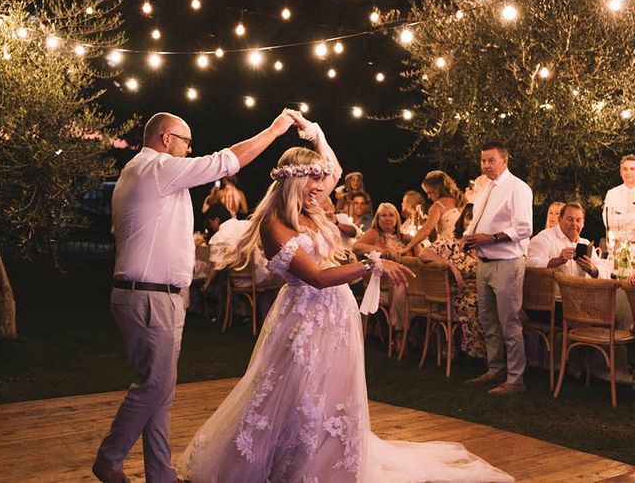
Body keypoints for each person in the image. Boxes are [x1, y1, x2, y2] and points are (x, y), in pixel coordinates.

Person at [177, 116, 513, 483]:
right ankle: (289, 464)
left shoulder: (313, 210)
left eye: (319, 182)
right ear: (292, 181)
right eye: (311, 182)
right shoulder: (275, 223)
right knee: (295, 393)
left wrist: (316, 131)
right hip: (304, 319)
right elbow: (317, 278)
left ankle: (331, 463)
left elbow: (333, 168)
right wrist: (371, 266)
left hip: (338, 317)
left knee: (335, 393)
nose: (319, 188)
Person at [92, 110, 296, 483]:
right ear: (166, 139)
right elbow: (228, 159)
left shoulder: (148, 173)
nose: (190, 149)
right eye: (187, 142)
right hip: (149, 296)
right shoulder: (155, 169)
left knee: (161, 390)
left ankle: (160, 473)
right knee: (153, 385)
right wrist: (276, 129)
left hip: (158, 295)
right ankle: (110, 458)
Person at [463, 141, 533, 396]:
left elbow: (524, 228)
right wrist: (468, 236)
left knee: (510, 322)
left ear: (505, 160)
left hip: (506, 263)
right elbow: (478, 220)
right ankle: (495, 368)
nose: (485, 165)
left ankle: (516, 379)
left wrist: (490, 238)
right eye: (483, 160)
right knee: (488, 319)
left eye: (490, 160)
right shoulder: (486, 187)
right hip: (484, 262)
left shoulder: (518, 188)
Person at [419, 204, 485, 359]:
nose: (472, 222)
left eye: (477, 218)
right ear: (462, 220)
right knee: (476, 303)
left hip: (483, 290)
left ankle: (500, 357)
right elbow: (424, 254)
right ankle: (478, 354)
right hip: (457, 293)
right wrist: (450, 265)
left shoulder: (485, 247)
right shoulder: (450, 242)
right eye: (469, 217)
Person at [527, 202, 598, 296]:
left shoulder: (586, 243)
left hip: (579, 301)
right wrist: (558, 260)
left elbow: (604, 272)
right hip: (550, 302)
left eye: (578, 220)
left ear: (583, 223)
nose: (574, 224)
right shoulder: (545, 237)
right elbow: (530, 264)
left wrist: (591, 269)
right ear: (560, 219)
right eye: (570, 219)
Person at [402, 170, 463, 255]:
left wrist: (408, 246)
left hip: (448, 246)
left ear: (437, 189)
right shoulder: (460, 201)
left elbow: (426, 229)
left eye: (429, 192)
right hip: (462, 245)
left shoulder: (438, 205)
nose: (428, 197)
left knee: (423, 255)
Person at [603, 154, 635, 239]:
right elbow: (608, 222)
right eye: (625, 169)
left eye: (632, 169)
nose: (628, 172)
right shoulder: (612, 194)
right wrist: (633, 217)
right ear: (620, 172)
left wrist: (620, 218)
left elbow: (614, 222)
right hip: (617, 246)